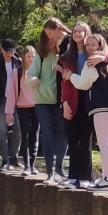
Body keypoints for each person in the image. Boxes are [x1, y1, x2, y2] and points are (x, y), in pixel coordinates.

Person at [58, 22, 108, 189]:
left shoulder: (95, 57)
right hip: (79, 100)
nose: (77, 33)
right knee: (76, 139)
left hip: (94, 102)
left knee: (92, 140)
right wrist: (64, 101)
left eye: (80, 31)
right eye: (74, 31)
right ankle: (77, 177)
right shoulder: (68, 55)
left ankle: (95, 178)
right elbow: (66, 83)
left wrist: (104, 57)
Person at [26, 18, 71, 183]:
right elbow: (30, 76)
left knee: (63, 134)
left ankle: (59, 165)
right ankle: (50, 170)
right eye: (47, 37)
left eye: (51, 35)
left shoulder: (64, 53)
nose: (50, 39)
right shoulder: (41, 56)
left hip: (60, 101)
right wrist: (34, 81)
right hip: (42, 101)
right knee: (47, 134)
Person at [5, 45, 39, 175]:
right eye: (28, 56)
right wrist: (9, 112)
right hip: (22, 107)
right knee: (24, 135)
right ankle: (27, 165)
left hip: (37, 107)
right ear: (24, 57)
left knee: (34, 135)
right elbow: (12, 93)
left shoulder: (39, 71)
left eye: (33, 57)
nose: (31, 59)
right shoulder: (17, 72)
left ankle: (33, 165)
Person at [0, 39, 22, 170]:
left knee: (18, 129)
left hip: (15, 101)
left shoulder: (18, 62)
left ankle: (13, 157)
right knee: (2, 130)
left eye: (11, 52)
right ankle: (5, 161)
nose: (9, 54)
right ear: (1, 49)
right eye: (7, 51)